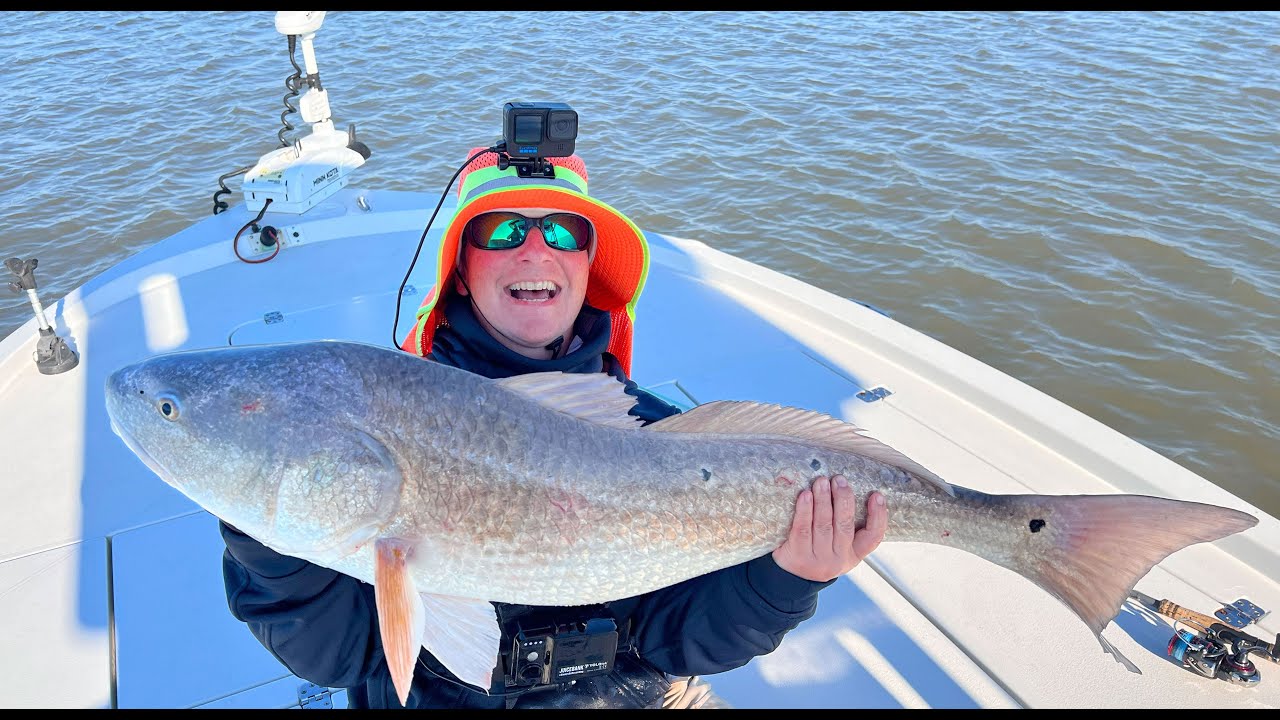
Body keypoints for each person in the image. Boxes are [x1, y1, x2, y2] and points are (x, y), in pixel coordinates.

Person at [218, 146, 889, 709]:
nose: (536, 249)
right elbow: (342, 654)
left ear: (589, 265)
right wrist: (265, 538)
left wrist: (787, 580)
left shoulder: (648, 432)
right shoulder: (376, 426)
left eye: (565, 232)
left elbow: (682, 643)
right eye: (503, 231)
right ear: (462, 265)